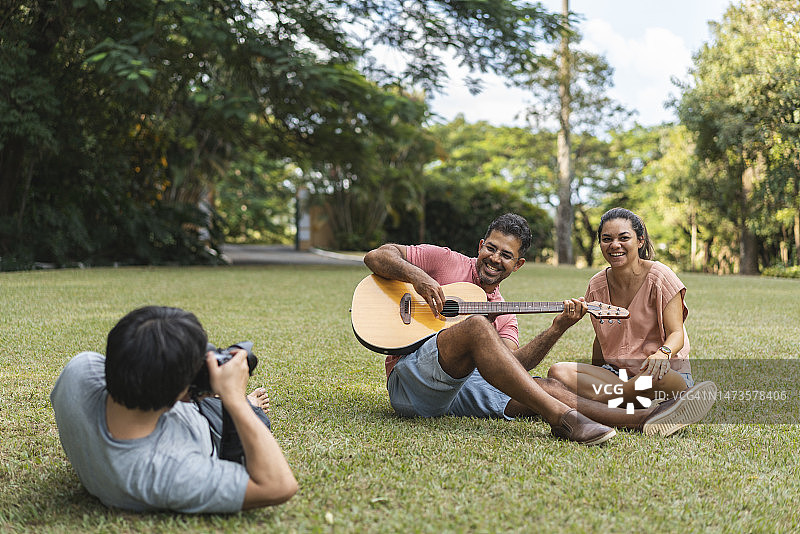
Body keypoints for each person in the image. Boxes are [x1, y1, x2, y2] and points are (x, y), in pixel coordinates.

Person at [363, 213, 715, 445]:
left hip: (458, 393)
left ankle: (643, 418)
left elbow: (512, 366)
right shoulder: (443, 260)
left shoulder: (504, 312)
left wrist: (558, 327)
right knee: (475, 327)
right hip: (409, 383)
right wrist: (420, 278)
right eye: (491, 248)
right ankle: (562, 420)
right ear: (480, 247)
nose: (494, 259)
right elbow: (377, 257)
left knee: (545, 384)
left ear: (518, 265)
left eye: (506, 255)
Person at [50, 306, 297, 513]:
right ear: (180, 395)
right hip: (213, 432)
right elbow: (278, 486)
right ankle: (246, 405)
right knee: (251, 416)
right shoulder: (165, 470)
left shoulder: (80, 370)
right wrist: (236, 400)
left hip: (173, 407)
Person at [548, 208, 717, 435]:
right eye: (606, 239)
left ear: (640, 241)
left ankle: (600, 408)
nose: (614, 245)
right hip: (618, 375)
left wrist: (662, 353)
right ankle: (658, 410)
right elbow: (601, 339)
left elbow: (677, 333)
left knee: (656, 376)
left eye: (623, 238)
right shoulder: (596, 285)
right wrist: (594, 372)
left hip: (659, 373)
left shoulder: (661, 277)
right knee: (558, 372)